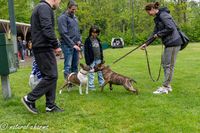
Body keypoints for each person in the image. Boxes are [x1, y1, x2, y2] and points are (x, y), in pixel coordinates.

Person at [21, 0, 63, 114]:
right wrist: (56, 45)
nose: (60, 3)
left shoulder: (40, 7)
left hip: (41, 47)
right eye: (60, 1)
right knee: (52, 76)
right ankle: (29, 99)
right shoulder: (44, 8)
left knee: (50, 76)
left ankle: (50, 105)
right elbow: (47, 28)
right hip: (43, 47)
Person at [140, 2, 183, 94]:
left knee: (169, 65)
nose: (148, 14)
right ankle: (168, 85)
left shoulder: (163, 15)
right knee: (165, 64)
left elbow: (171, 27)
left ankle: (165, 87)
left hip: (173, 42)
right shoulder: (158, 18)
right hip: (169, 43)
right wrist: (146, 43)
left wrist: (159, 34)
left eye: (148, 12)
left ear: (152, 9)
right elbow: (154, 32)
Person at [57, 1, 81, 79]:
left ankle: (74, 82)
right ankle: (67, 83)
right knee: (68, 65)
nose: (74, 11)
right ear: (68, 8)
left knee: (75, 64)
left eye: (75, 10)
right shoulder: (62, 18)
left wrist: (79, 40)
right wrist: (72, 45)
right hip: (67, 45)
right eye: (73, 9)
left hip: (76, 45)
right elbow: (63, 33)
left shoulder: (75, 18)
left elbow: (77, 31)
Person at [84, 25, 104, 90]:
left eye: (96, 32)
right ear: (90, 32)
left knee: (100, 72)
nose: (95, 34)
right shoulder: (87, 40)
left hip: (98, 59)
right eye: (93, 32)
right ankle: (91, 86)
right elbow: (86, 52)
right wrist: (88, 61)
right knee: (91, 72)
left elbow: (100, 50)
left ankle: (101, 83)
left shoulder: (98, 40)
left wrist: (101, 59)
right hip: (91, 60)